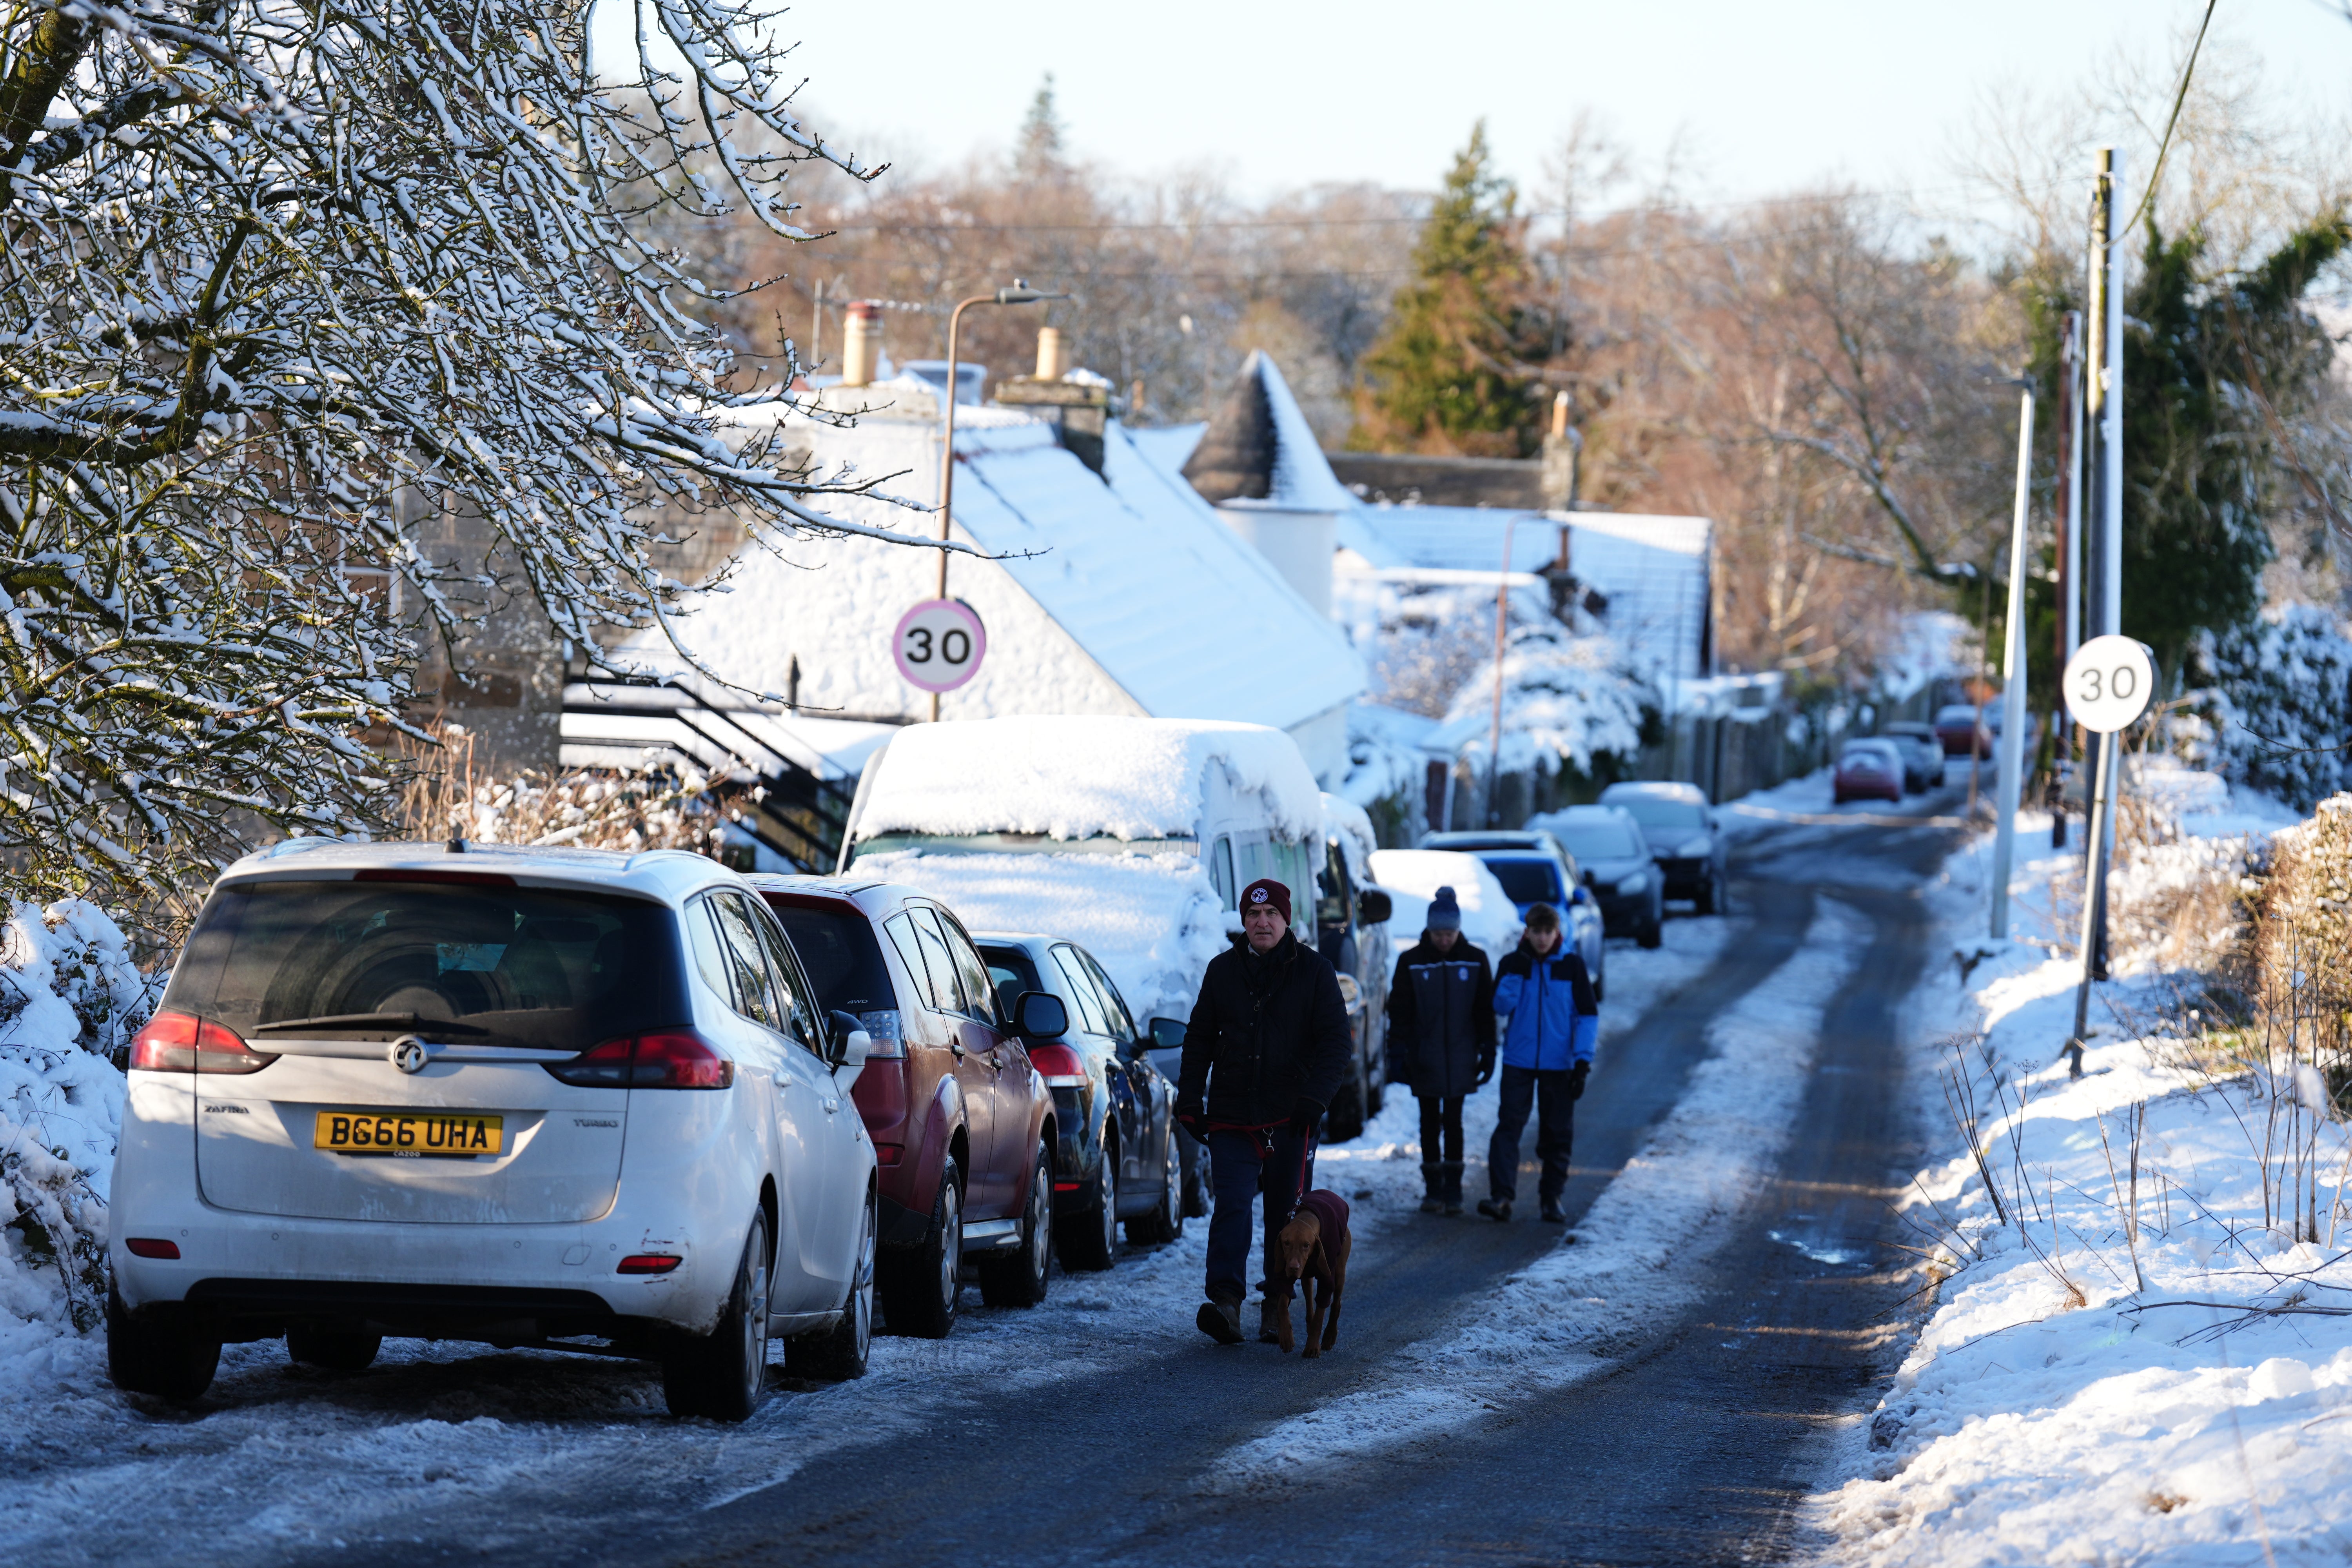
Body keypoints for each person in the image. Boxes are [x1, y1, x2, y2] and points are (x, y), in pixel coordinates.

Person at [1177, 876, 1354, 1345]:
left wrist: (1315, 1099)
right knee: (1232, 1207)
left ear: (1286, 919)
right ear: (1243, 920)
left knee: (1285, 1217)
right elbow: (1199, 1039)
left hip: (1291, 1118)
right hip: (1232, 1116)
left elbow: (1337, 1042)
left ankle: (1278, 1305)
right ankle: (1227, 1304)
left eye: (1271, 914)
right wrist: (1190, 1099)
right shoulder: (1222, 971)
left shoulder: (1315, 972)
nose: (1262, 922)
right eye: (1253, 915)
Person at [1479, 903, 1598, 1224]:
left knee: (1557, 1132)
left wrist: (1582, 1061)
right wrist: (1517, 972)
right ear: (1527, 932)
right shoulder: (1512, 964)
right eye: (1537, 932)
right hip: (1519, 1060)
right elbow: (1501, 1006)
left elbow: (1586, 1017)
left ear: (1558, 933)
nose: (1543, 939)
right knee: (1509, 1127)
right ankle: (1501, 1197)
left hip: (1559, 1065)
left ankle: (1551, 1198)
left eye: (1549, 933)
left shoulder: (1572, 967)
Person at [1384, 886, 1494, 1215]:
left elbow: (1484, 1010)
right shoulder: (1412, 962)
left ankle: (1454, 1191)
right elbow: (1399, 1011)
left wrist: (1488, 1049)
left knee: (1455, 1122)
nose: (1444, 940)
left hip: (1461, 1056)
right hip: (1425, 1057)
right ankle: (1433, 1190)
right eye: (1438, 934)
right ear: (1429, 931)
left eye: (1449, 933)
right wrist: (1398, 1052)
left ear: (1458, 930)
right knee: (1429, 1122)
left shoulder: (1475, 960)